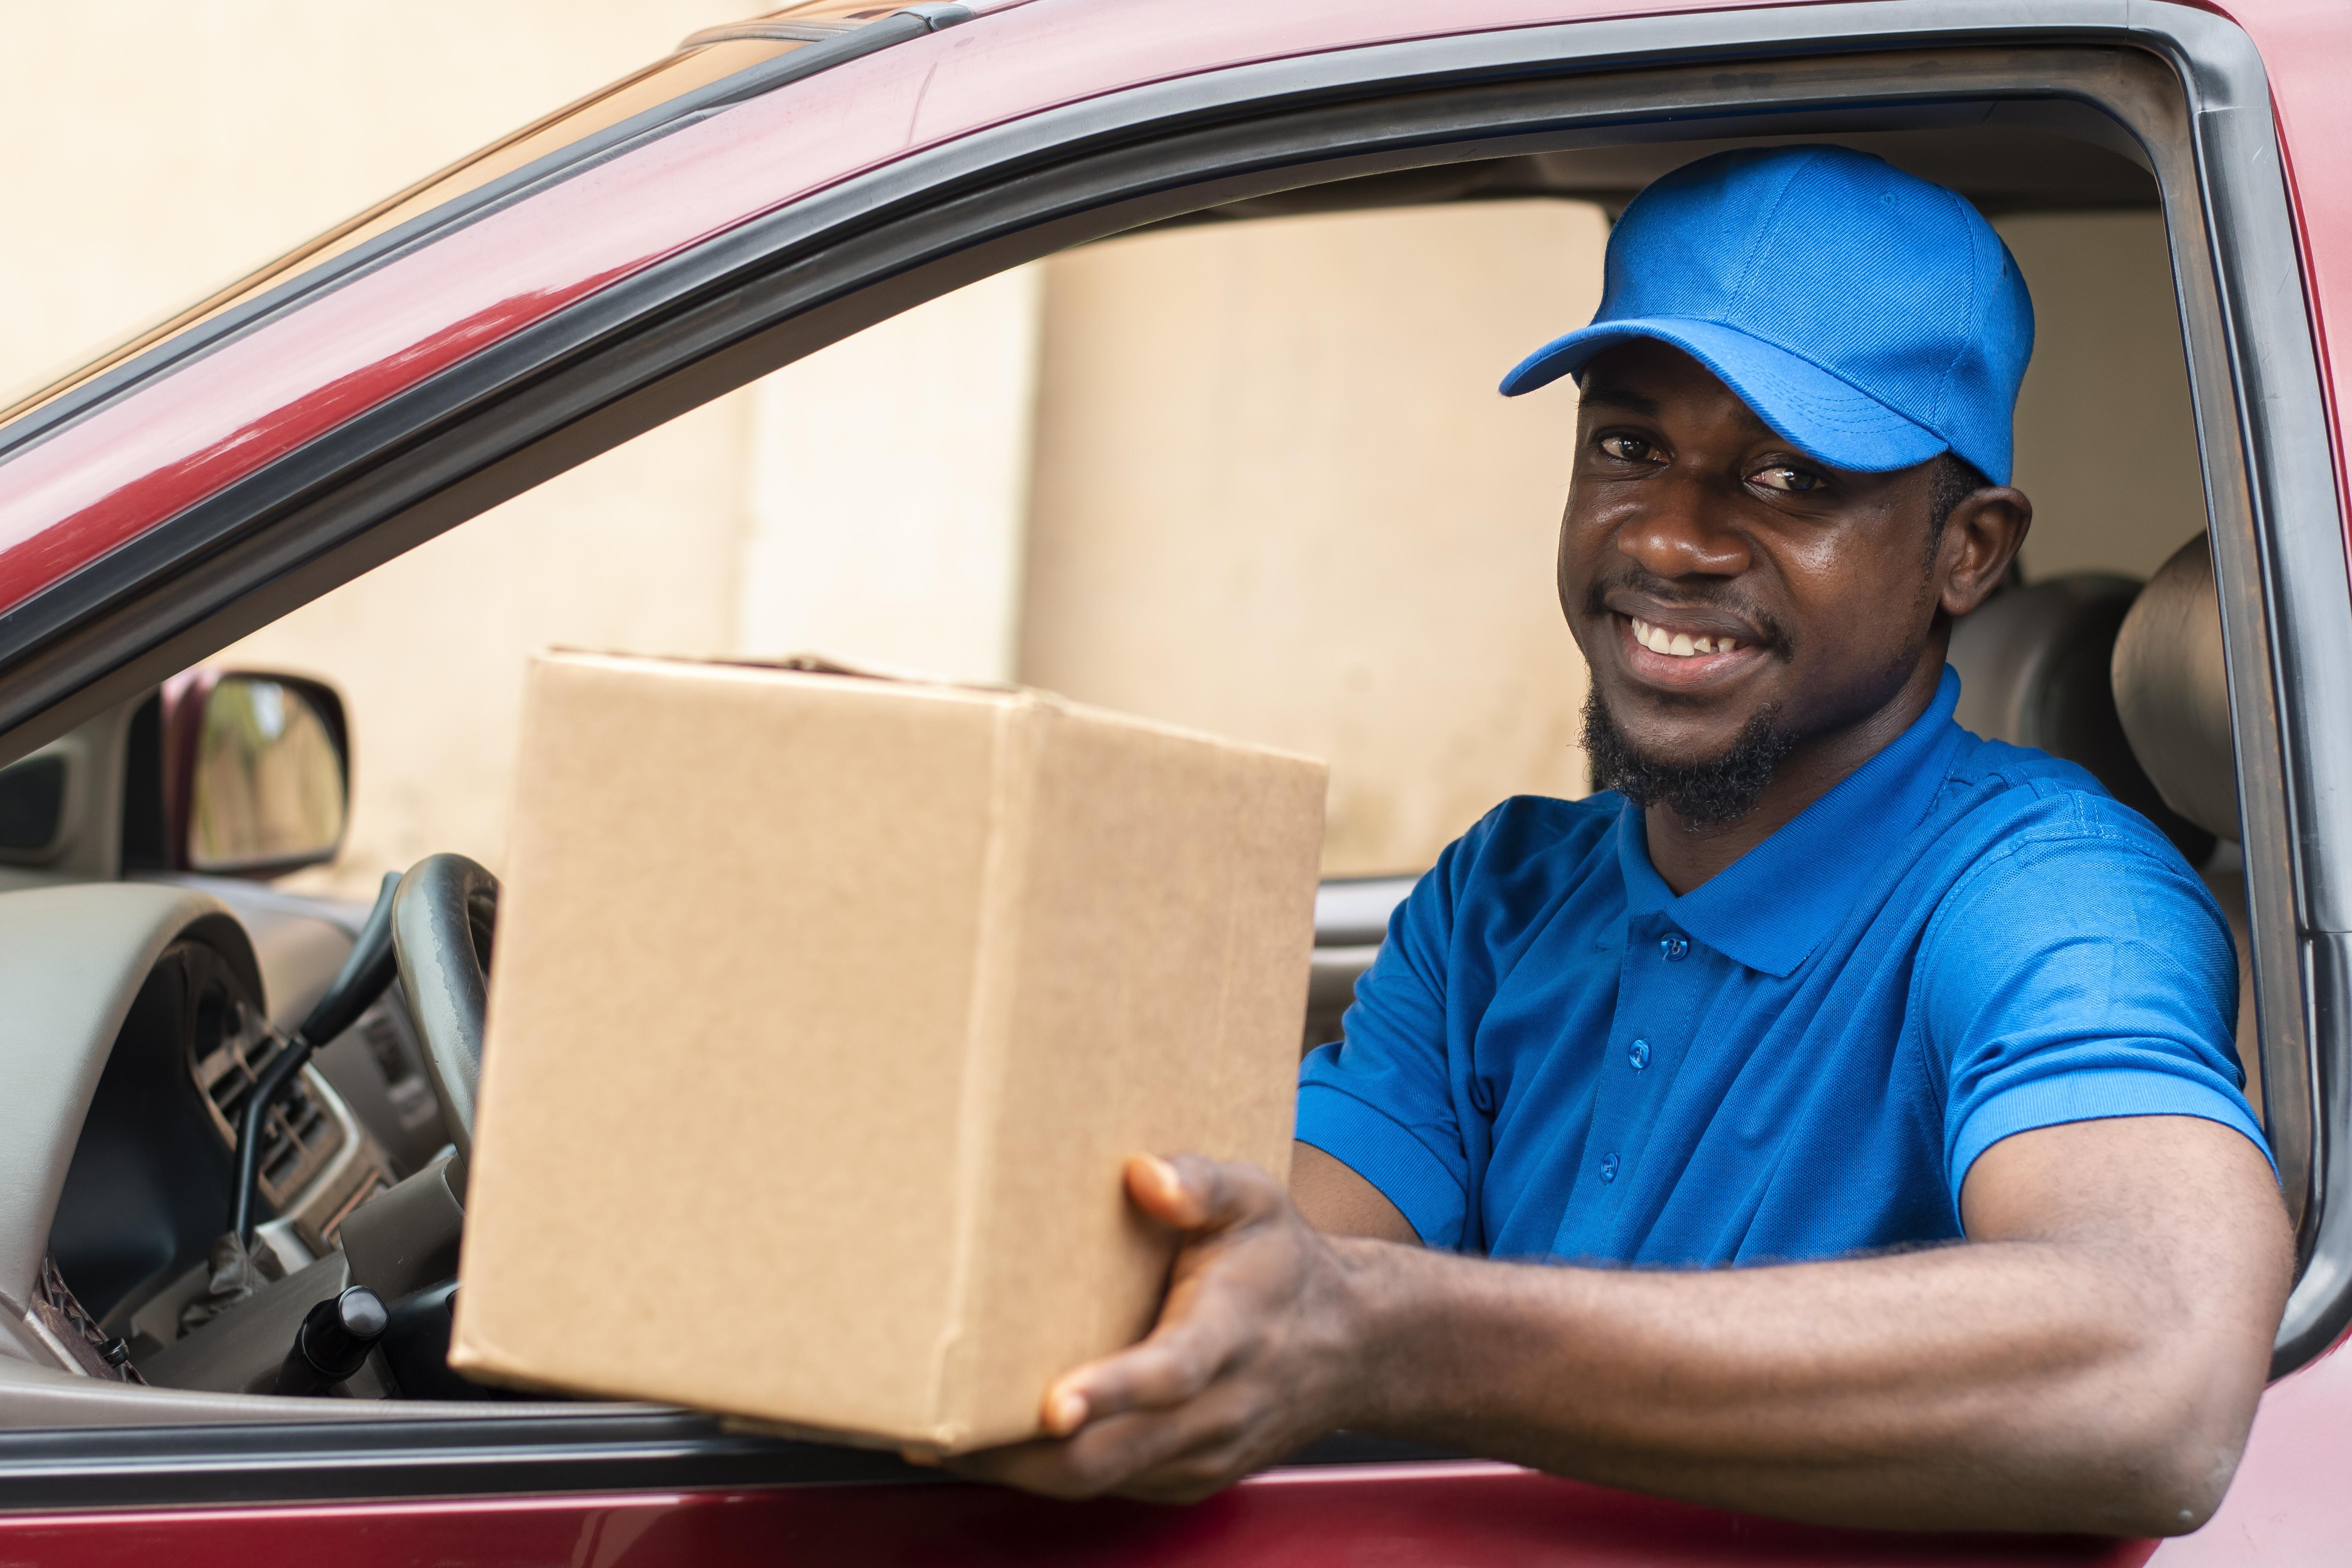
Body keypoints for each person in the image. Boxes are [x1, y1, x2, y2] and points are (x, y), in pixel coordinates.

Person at [943, 146, 2292, 1535]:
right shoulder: (1505, 896)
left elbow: (2162, 1371)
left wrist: (1393, 1334)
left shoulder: (2049, 893)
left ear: (1969, 550)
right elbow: (1261, 1267)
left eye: (1788, 476)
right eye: (1630, 447)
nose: (1671, 537)